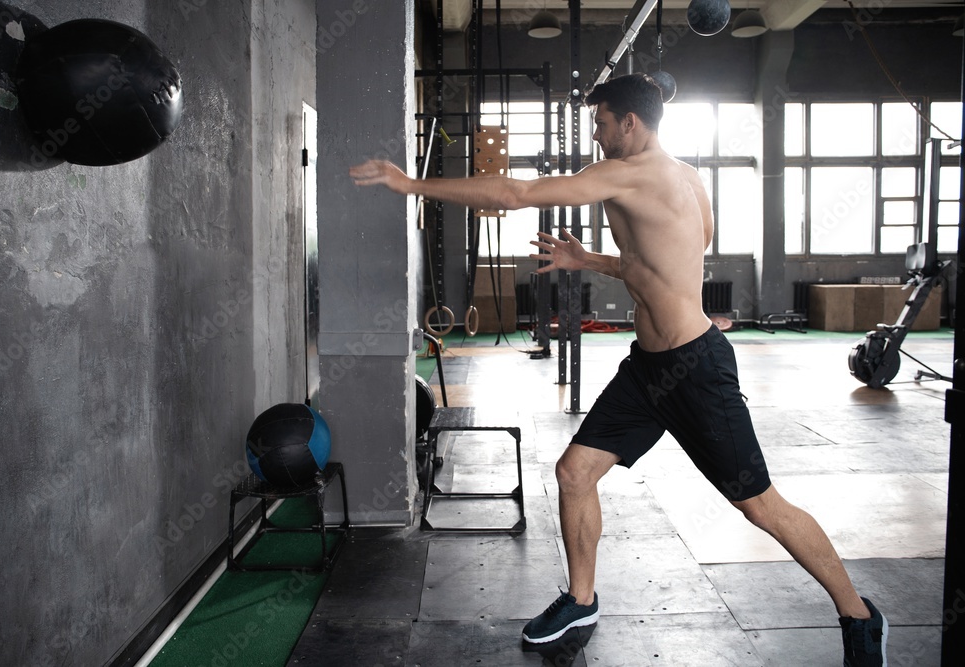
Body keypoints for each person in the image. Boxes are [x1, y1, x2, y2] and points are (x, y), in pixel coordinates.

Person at [350, 73, 888, 666]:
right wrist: (590, 259)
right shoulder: (686, 180)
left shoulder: (632, 173)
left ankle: (859, 616)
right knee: (575, 472)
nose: (598, 135)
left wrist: (411, 184)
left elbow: (515, 194)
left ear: (629, 122)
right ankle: (582, 601)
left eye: (602, 123)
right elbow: (663, 263)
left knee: (760, 505)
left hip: (696, 368)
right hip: (647, 370)